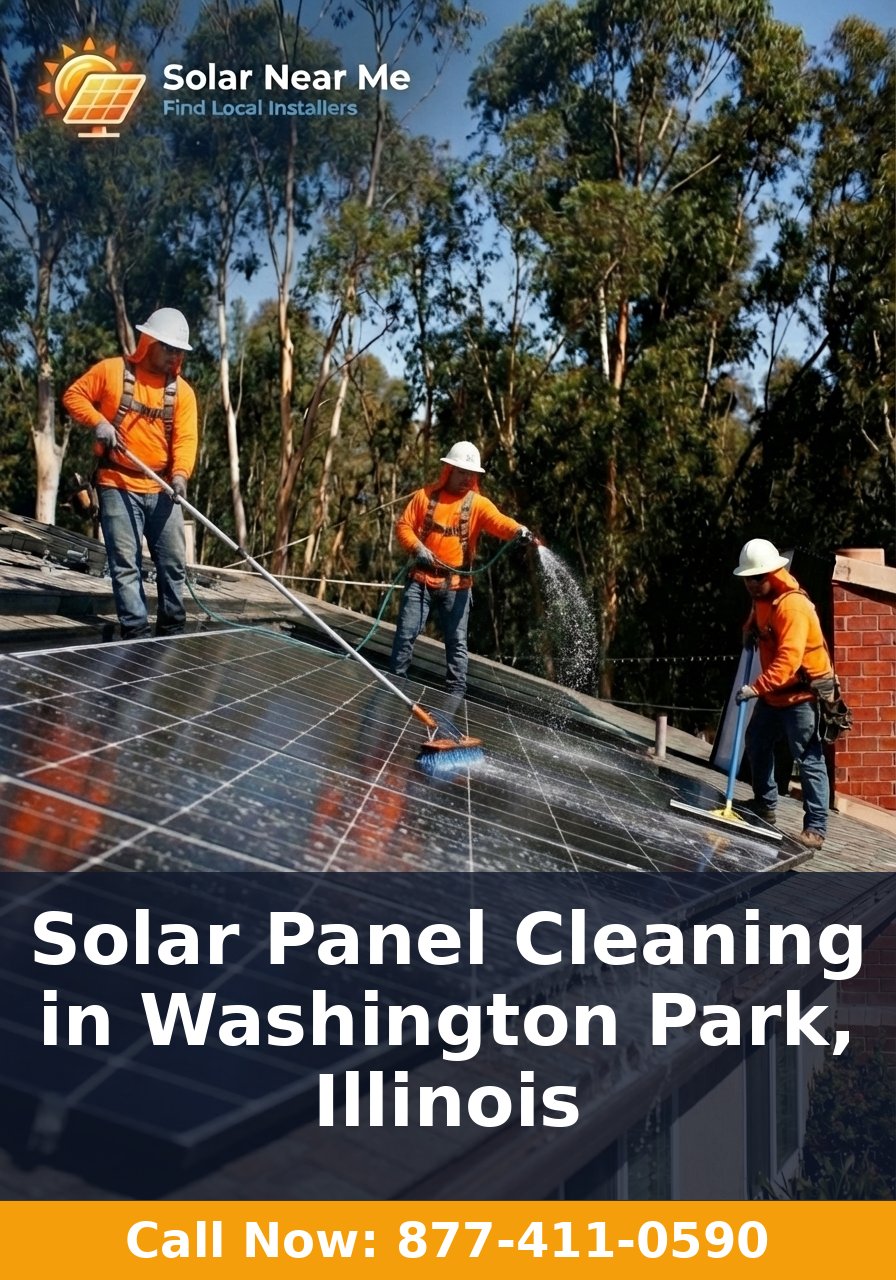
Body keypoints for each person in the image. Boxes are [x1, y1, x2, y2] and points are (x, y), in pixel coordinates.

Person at [63, 308, 198, 639]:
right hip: (117, 482)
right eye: (168, 347)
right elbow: (73, 396)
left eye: (179, 350)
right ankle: (137, 635)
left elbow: (186, 439)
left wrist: (180, 476)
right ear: (148, 342)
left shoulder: (182, 393)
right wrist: (99, 422)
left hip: (163, 488)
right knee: (126, 563)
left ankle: (171, 632)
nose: (174, 356)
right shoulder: (112, 372)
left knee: (173, 564)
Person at [390, 441, 534, 696]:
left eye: (471, 474)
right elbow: (404, 526)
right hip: (421, 580)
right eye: (461, 472)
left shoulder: (477, 504)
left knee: (457, 643)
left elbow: (499, 522)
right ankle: (394, 684)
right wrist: (417, 547)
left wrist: (518, 530)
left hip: (457, 586)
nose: (467, 478)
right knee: (406, 633)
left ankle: (456, 695)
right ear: (448, 470)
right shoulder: (425, 496)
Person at [732, 538, 833, 850]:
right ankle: (764, 804)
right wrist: (748, 629)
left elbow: (789, 661)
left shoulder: (792, 607)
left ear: (772, 574)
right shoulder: (762, 596)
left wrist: (755, 688)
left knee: (808, 757)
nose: (751, 583)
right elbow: (757, 618)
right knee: (757, 741)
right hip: (775, 693)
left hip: (801, 695)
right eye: (747, 578)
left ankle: (816, 828)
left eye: (756, 577)